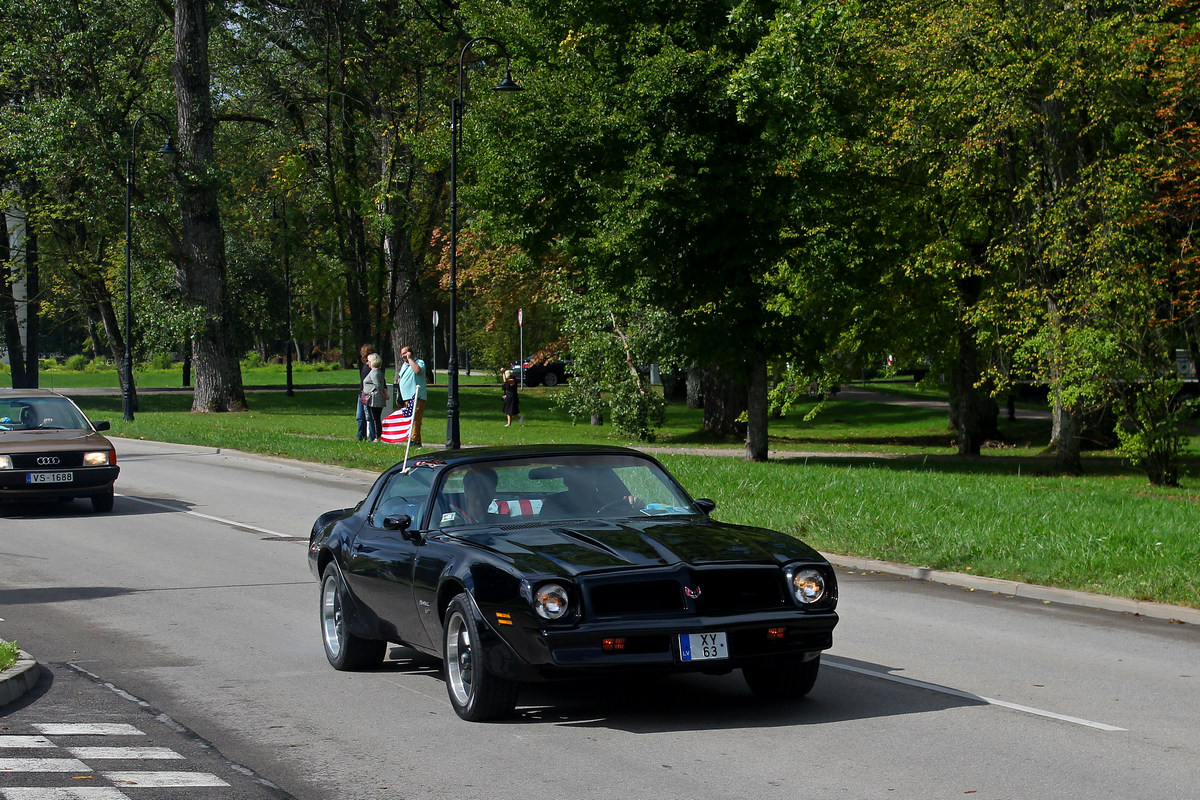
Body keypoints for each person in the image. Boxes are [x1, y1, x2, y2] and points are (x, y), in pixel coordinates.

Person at [393, 345, 427, 446]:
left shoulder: (419, 362)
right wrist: (399, 397)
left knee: (416, 419)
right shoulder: (404, 365)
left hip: (417, 396)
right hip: (406, 397)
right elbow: (401, 380)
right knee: (409, 419)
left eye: (405, 353)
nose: (403, 356)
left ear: (410, 353)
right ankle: (412, 439)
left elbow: (417, 370)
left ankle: (415, 440)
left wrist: (410, 359)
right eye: (402, 354)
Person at [362, 352, 388, 441]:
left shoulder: (374, 372)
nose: (367, 363)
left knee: (374, 418)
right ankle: (377, 436)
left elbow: (378, 385)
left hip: (374, 399)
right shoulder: (379, 371)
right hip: (376, 398)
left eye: (368, 361)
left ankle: (377, 437)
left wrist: (383, 394)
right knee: (376, 418)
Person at [355, 344, 376, 441]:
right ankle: (360, 436)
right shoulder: (365, 365)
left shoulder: (373, 366)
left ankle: (371, 437)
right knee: (360, 417)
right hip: (362, 393)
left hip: (368, 394)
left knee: (369, 417)